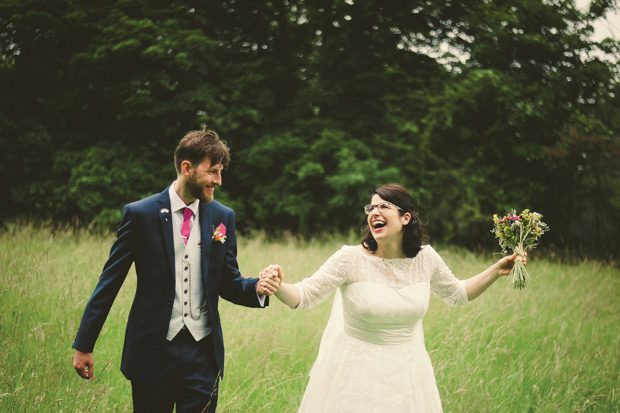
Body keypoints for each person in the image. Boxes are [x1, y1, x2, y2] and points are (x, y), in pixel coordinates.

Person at [258, 183, 526, 412]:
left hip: (408, 373)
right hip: (353, 372)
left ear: (405, 218)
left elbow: (457, 294)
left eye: (383, 207)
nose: (374, 212)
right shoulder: (349, 258)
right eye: (371, 208)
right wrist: (279, 286)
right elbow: (304, 296)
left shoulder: (426, 259)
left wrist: (496, 270)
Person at [72, 129, 281, 412]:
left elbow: (228, 282)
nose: (218, 181)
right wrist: (84, 344)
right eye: (213, 171)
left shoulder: (223, 217)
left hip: (203, 355)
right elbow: (110, 281)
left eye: (220, 172)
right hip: (152, 352)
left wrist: (256, 287)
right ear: (187, 168)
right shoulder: (140, 214)